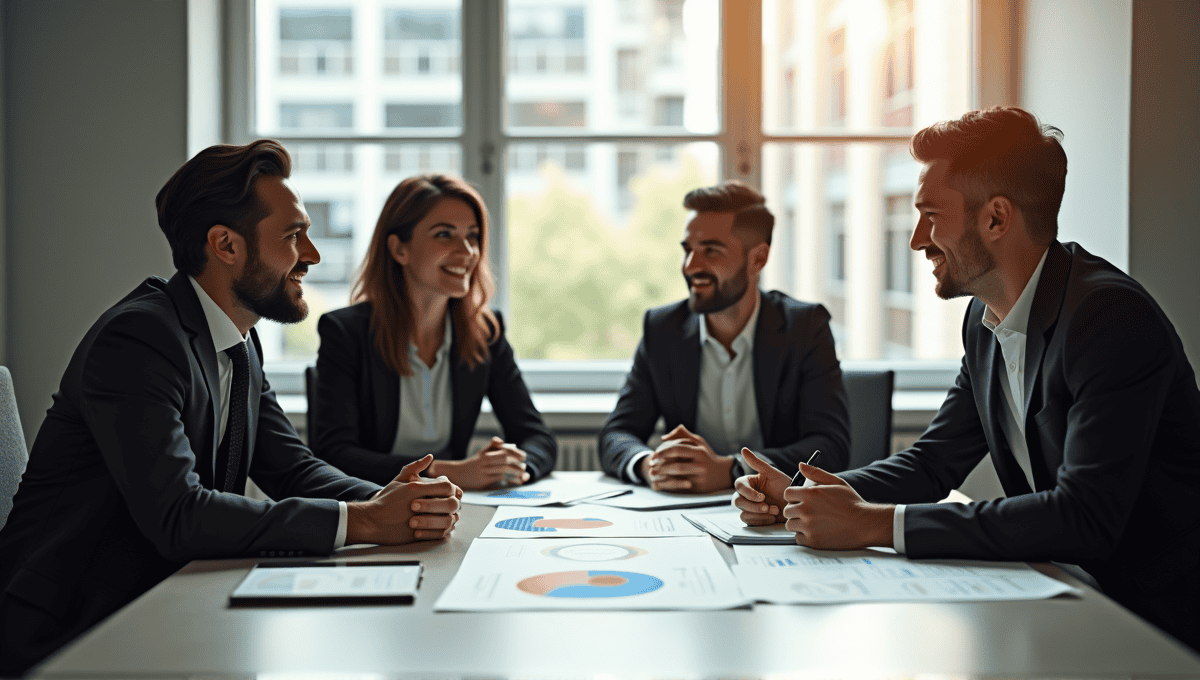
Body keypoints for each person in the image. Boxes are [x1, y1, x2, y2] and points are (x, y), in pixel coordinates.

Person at [733, 107, 1200, 652]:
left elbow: (1085, 515)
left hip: (1154, 623)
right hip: (1064, 596)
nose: (916, 240)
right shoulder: (984, 321)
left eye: (930, 215)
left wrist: (872, 525)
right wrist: (801, 494)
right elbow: (933, 463)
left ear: (996, 219)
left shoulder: (1108, 317)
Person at [0, 141, 463, 675]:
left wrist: (396, 502)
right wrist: (364, 521)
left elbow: (292, 468)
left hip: (160, 605)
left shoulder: (238, 341)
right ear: (225, 245)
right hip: (70, 630)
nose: (311, 255)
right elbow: (179, 513)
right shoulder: (139, 338)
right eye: (293, 236)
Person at [599, 181, 851, 493]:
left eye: (711, 251)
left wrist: (732, 470)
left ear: (757, 259)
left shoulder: (804, 327)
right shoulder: (663, 329)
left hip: (778, 514)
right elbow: (617, 433)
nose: (691, 266)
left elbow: (830, 446)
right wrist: (647, 464)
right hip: (684, 512)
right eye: (688, 250)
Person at [312, 174, 556, 491]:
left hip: (454, 507)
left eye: (473, 236)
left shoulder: (486, 332)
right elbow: (334, 454)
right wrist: (447, 472)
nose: (467, 251)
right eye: (444, 235)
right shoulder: (345, 332)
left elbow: (538, 438)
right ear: (399, 249)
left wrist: (513, 465)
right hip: (374, 506)